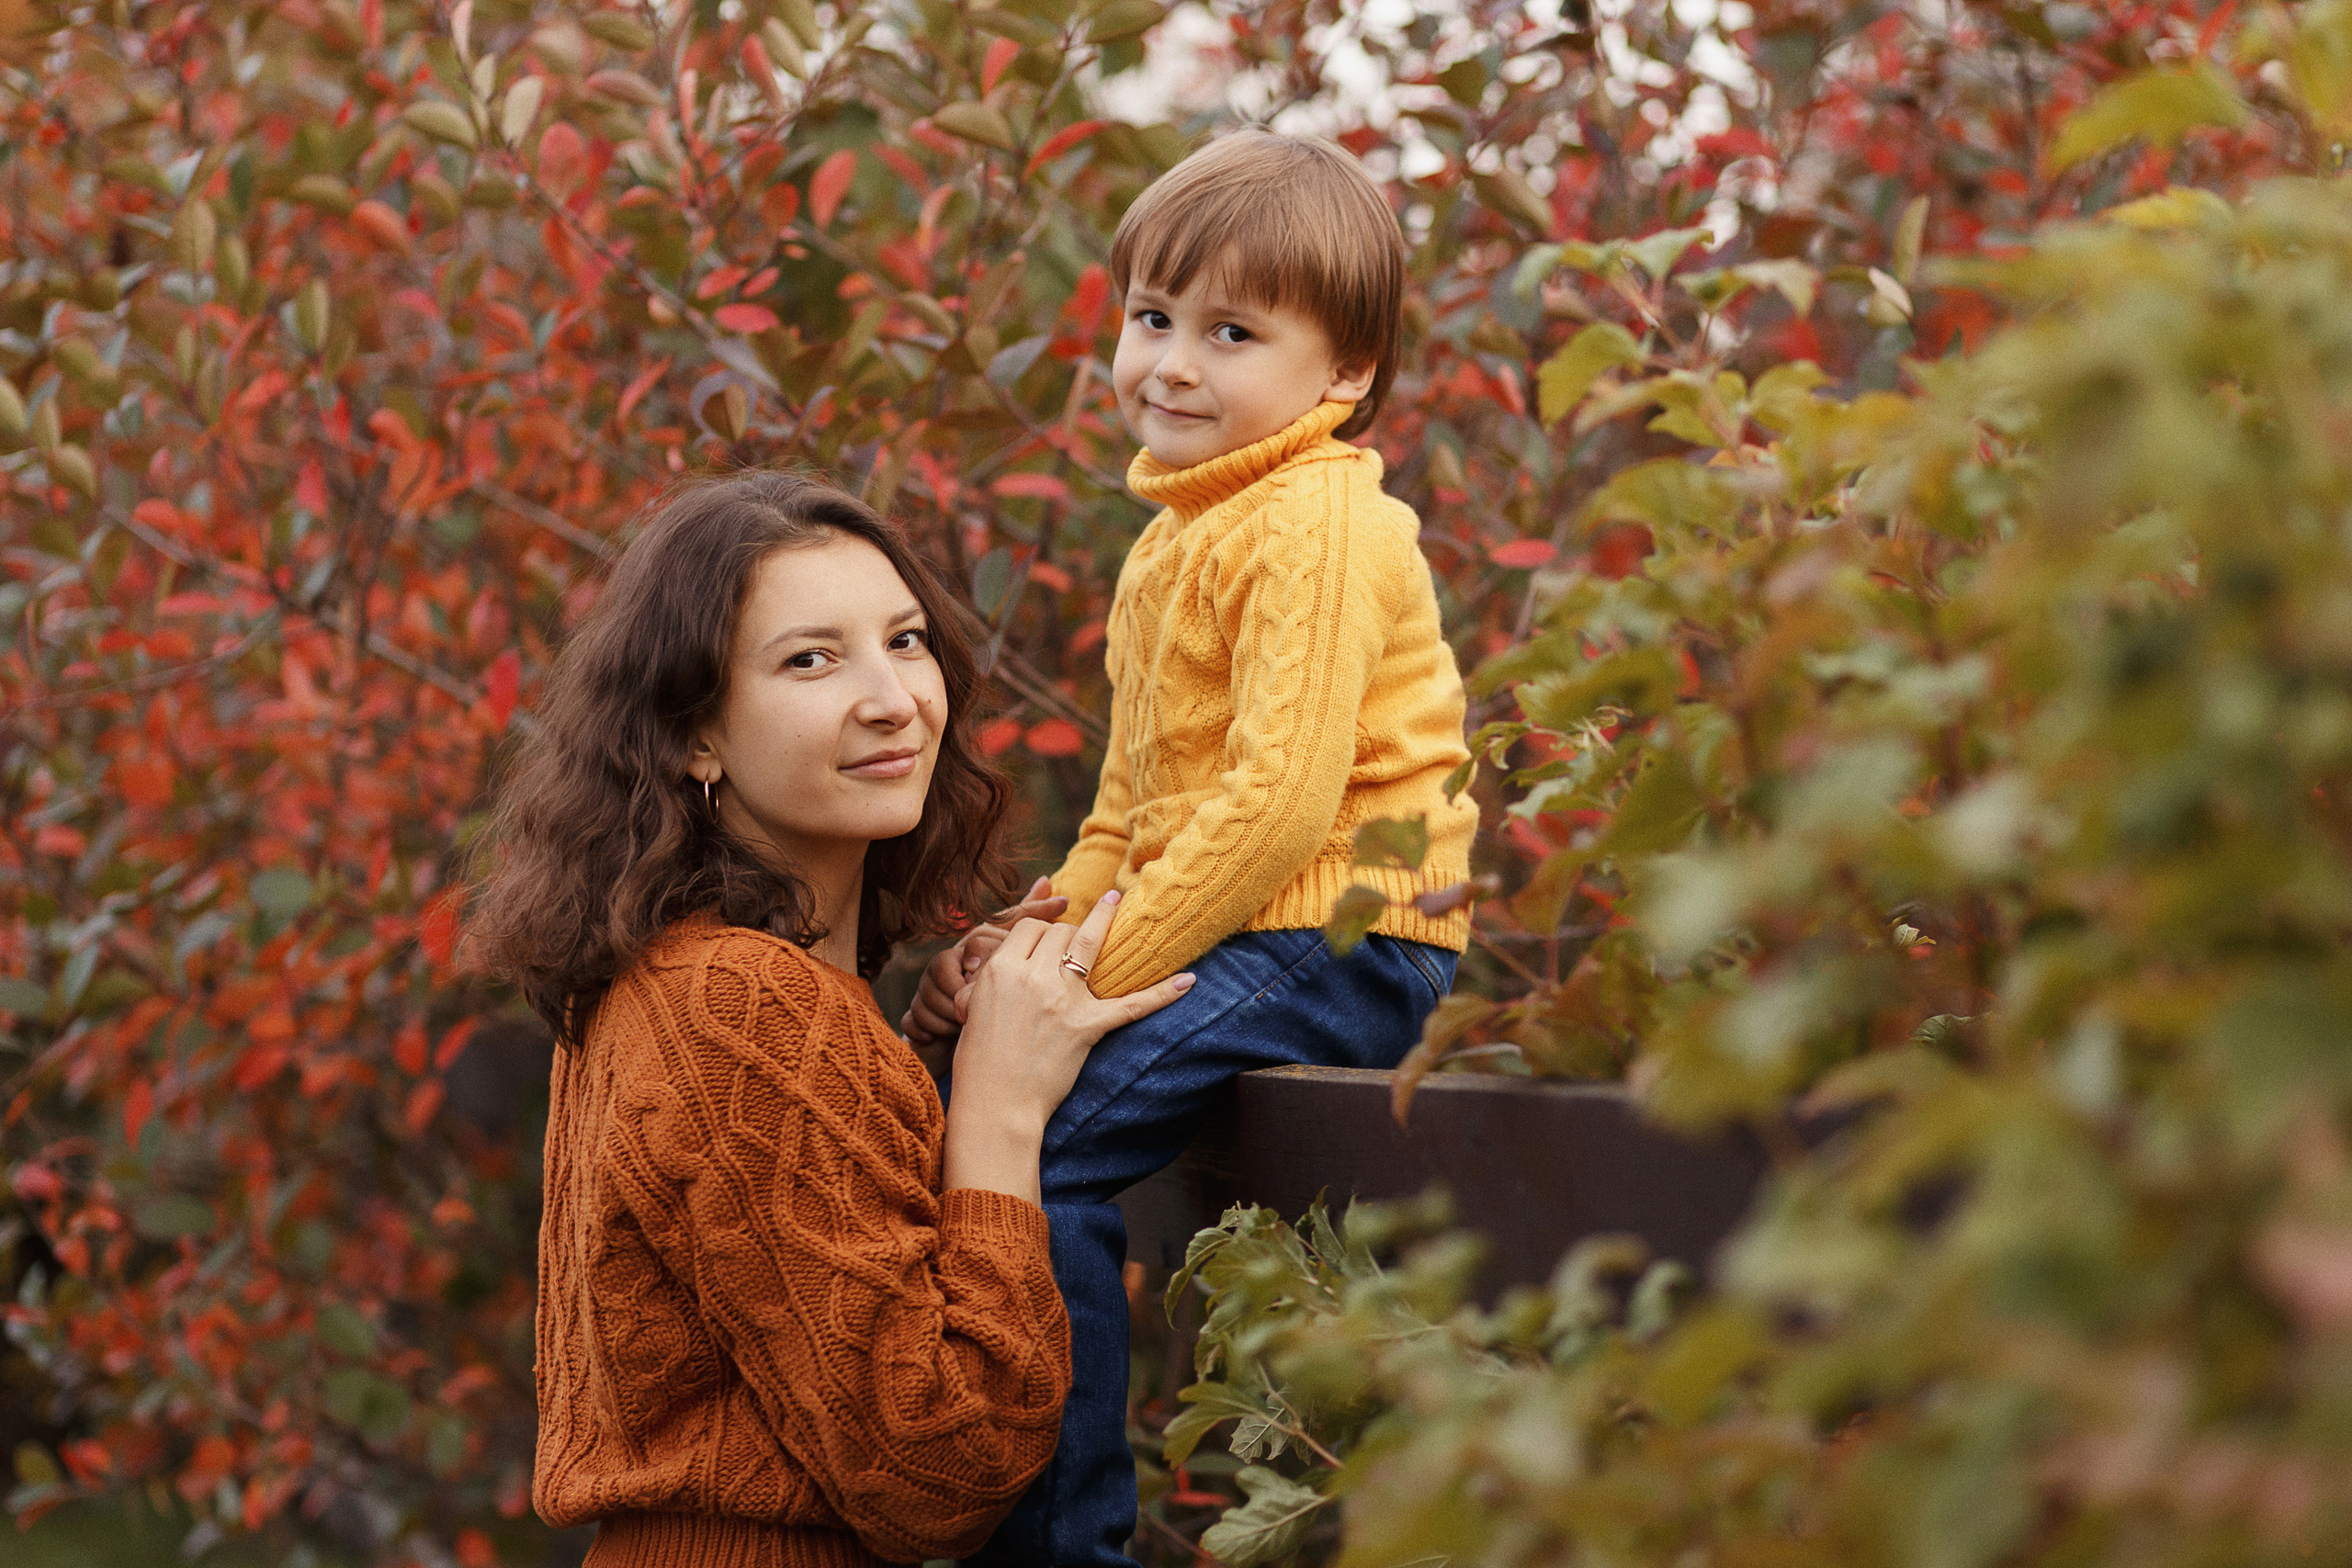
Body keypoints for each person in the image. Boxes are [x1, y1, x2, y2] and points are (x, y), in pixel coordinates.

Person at [906, 129, 1480, 1567]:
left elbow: (1282, 804)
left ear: (1342, 375)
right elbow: (1132, 810)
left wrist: (1095, 967)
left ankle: (1058, 1542)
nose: (1169, 361)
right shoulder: (1178, 536)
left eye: (1231, 332)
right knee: (940, 1093)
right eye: (1152, 316)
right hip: (1236, 920)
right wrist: (1037, 940)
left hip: (1342, 930)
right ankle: (911, 1473)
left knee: (1038, 1147)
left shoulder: (1318, 521)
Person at [470, 472, 1194, 1567]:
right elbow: (938, 1467)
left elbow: (788, 1298)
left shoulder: (707, 983)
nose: (893, 697)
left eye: (905, 642)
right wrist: (997, 1106)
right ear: (692, 737)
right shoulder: (734, 1000)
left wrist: (921, 1064)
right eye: (810, 659)